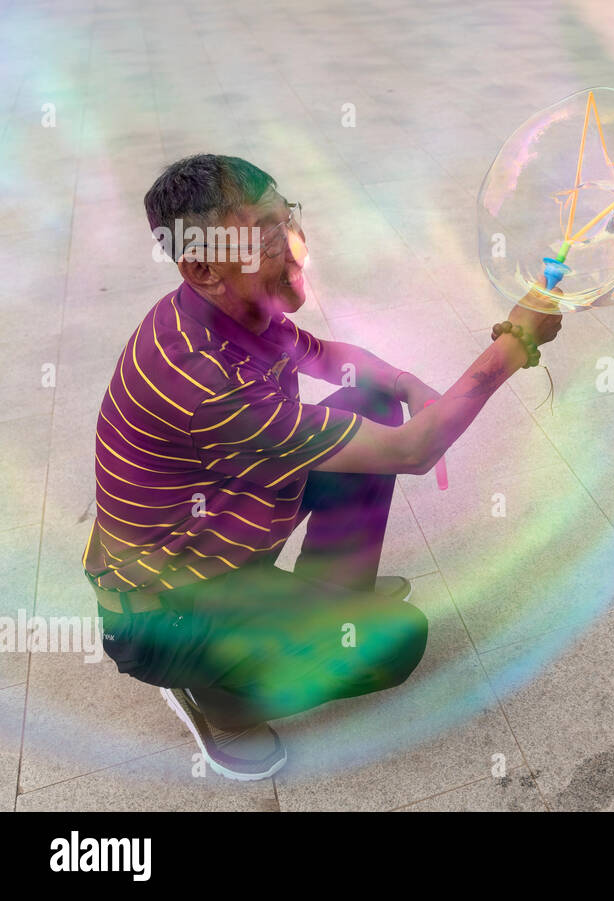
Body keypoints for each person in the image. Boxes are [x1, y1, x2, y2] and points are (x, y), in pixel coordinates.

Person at [84, 154, 561, 780]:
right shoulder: (204, 382)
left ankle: (331, 601)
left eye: (289, 221)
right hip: (167, 613)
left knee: (374, 400)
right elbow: (414, 451)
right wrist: (515, 341)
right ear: (201, 268)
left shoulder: (231, 309)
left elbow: (331, 357)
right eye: (266, 236)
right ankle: (218, 699)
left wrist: (405, 381)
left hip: (216, 536)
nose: (296, 248)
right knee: (398, 643)